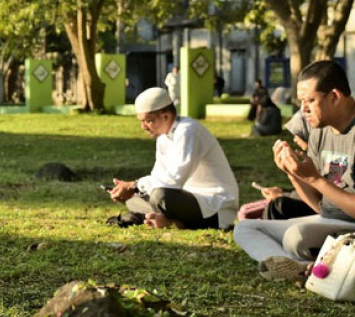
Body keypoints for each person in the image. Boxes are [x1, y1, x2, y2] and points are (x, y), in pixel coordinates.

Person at [233, 60, 355, 281]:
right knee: (246, 228)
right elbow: (320, 206)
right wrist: (293, 173)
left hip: (351, 226)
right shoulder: (320, 129)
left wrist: (315, 179)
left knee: (296, 237)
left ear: (334, 97)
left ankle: (310, 267)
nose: (303, 109)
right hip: (330, 223)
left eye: (310, 101)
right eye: (301, 102)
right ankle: (299, 268)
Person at [106, 87, 239, 229]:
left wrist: (134, 185)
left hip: (214, 206)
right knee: (133, 200)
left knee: (159, 196)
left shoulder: (188, 131)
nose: (143, 127)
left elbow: (172, 182)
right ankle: (163, 219)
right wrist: (133, 190)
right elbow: (159, 176)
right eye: (141, 121)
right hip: (186, 199)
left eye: (148, 121)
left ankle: (172, 222)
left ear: (166, 116)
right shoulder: (163, 137)